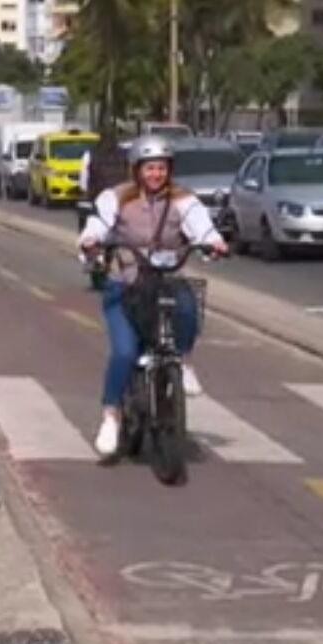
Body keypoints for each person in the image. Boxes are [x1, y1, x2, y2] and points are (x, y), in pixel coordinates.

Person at [77, 136, 228, 457]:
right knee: (124, 353)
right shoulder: (115, 198)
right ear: (137, 170)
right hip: (126, 286)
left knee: (187, 306)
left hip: (166, 280)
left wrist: (213, 242)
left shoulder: (183, 200)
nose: (156, 174)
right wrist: (91, 242)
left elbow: (201, 227)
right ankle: (111, 416)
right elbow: (97, 226)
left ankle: (183, 361)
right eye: (149, 168)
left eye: (161, 168)